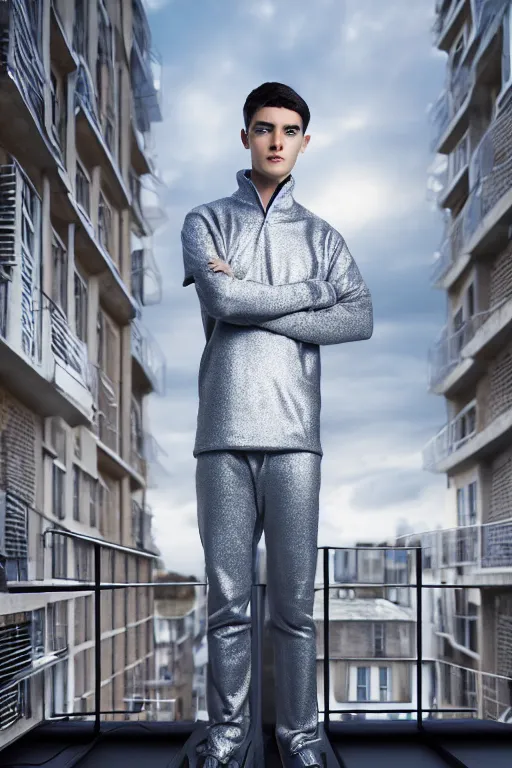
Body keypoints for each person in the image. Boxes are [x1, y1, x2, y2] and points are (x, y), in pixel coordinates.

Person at [181, 81, 373, 768]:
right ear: (245, 136)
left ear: (304, 142)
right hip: (222, 434)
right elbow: (221, 296)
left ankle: (302, 740)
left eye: (289, 130)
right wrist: (314, 295)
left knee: (293, 610)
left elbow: (360, 317)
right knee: (227, 608)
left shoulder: (324, 236)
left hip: (297, 439)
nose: (276, 140)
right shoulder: (203, 222)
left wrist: (257, 303)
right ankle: (228, 741)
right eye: (264, 128)